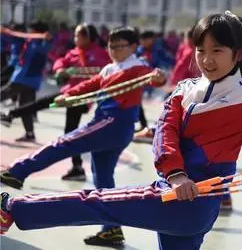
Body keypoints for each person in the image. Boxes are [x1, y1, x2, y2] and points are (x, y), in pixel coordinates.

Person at [0, 12, 242, 250]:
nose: (206, 59)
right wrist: (175, 172)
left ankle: (12, 207)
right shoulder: (184, 91)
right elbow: (163, 134)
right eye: (201, 50)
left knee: (95, 200)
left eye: (217, 51)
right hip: (177, 191)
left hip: (188, 200)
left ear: (238, 55)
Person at [0, 26, 167, 247]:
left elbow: (154, 79)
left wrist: (160, 77)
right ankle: (112, 230)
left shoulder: (137, 67)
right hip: (112, 127)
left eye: (120, 46)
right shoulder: (110, 68)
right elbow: (90, 84)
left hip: (111, 123)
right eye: (111, 46)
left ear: (134, 47)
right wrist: (67, 95)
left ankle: (18, 171)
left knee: (65, 142)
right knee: (103, 180)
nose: (114, 50)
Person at [1, 23, 111, 181]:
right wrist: (60, 70)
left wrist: (76, 71)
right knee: (47, 109)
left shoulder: (99, 54)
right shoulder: (74, 52)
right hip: (69, 93)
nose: (75, 39)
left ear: (88, 37)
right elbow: (61, 61)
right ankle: (11, 114)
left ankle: (77, 167)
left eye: (78, 36)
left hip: (82, 97)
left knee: (70, 132)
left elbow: (103, 71)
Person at [0, 22, 53, 142]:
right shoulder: (27, 42)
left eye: (31, 31)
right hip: (27, 80)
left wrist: (49, 39)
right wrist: (4, 32)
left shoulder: (41, 45)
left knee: (2, 94)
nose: (28, 33)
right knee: (24, 108)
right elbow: (12, 38)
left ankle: (6, 118)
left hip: (24, 79)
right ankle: (30, 134)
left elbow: (48, 47)